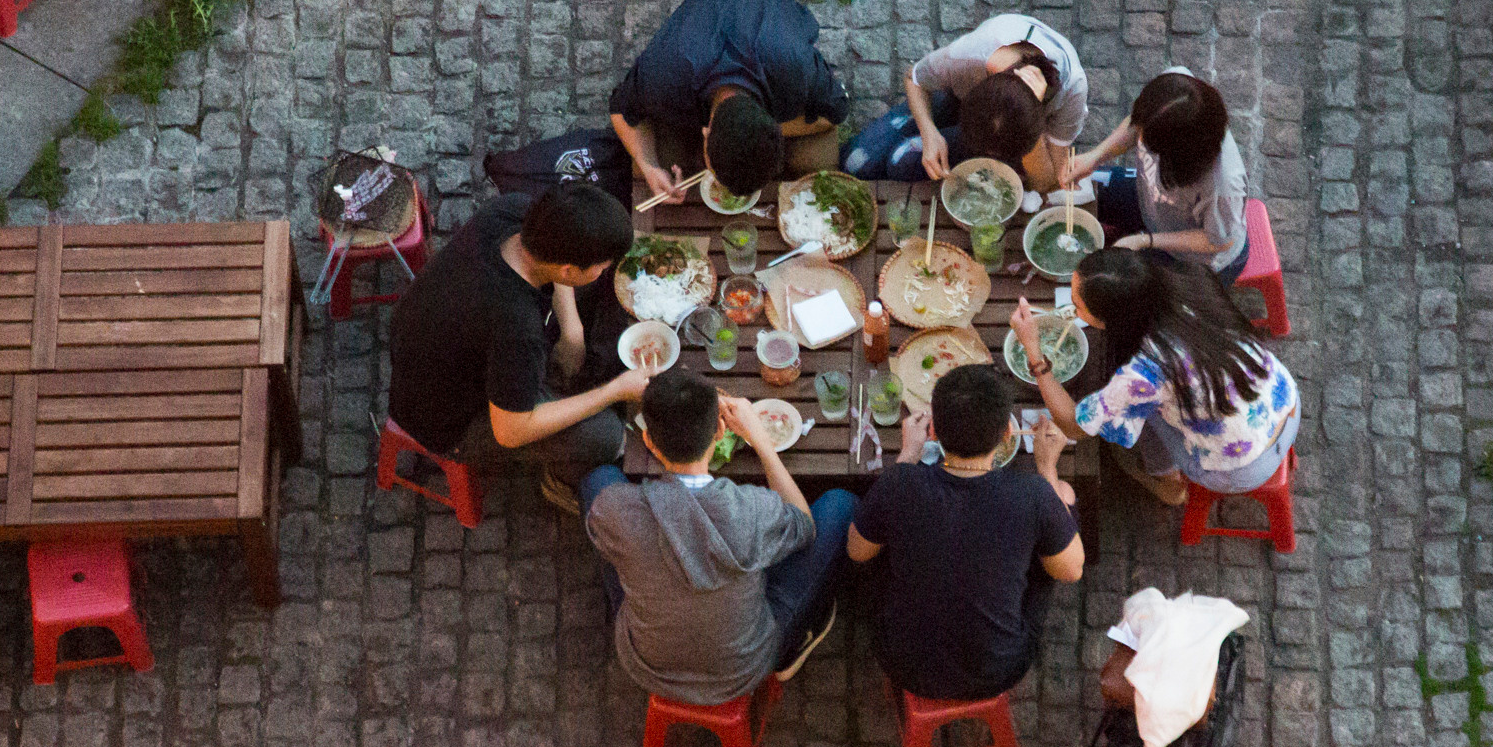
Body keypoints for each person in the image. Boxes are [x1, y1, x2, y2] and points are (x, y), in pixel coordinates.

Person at [581, 369, 859, 704]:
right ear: (720, 431)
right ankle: (790, 646)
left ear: (650, 442)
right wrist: (762, 443)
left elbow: (601, 526)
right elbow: (804, 526)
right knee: (841, 505)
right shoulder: (752, 510)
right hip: (744, 666)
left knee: (597, 479)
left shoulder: (614, 510)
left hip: (649, 663)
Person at [387, 180, 647, 511]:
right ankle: (560, 483)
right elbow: (511, 431)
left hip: (427, 343)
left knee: (589, 296)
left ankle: (560, 382)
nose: (606, 269)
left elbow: (555, 270)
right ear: (567, 269)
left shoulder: (512, 212)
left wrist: (572, 331)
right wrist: (615, 391)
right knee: (606, 435)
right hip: (448, 419)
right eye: (603, 264)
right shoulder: (516, 329)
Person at [847, 365, 1085, 701]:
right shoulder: (1032, 494)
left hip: (902, 663)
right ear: (1006, 434)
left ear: (934, 431)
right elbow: (1071, 570)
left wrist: (907, 456)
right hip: (998, 669)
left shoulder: (899, 483)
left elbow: (858, 552)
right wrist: (1047, 467)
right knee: (1064, 497)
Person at [1008, 249, 1298, 509]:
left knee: (1136, 424)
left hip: (1242, 466)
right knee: (1148, 405)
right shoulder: (1190, 281)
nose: (1072, 309)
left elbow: (1073, 425)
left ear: (1110, 319)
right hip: (1285, 403)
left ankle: (1169, 485)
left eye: (1077, 304)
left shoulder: (1143, 374)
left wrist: (1034, 353)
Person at [608, 0, 852, 203]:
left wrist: (762, 133)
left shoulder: (796, 70)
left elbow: (835, 114)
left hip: (772, 22)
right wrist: (648, 166)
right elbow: (620, 108)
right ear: (705, 130)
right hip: (699, 23)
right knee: (645, 172)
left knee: (816, 163)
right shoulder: (664, 78)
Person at [841, 13, 1088, 192]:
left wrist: (1033, 119)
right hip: (974, 112)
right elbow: (914, 78)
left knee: (899, 163)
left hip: (1013, 133)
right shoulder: (971, 56)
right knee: (855, 163)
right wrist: (930, 134)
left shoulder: (1073, 91)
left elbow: (1045, 181)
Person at [1064, 68, 1248, 282]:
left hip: (1194, 259)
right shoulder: (1174, 92)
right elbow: (1136, 125)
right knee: (1082, 188)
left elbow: (1218, 241)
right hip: (1152, 204)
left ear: (1178, 152)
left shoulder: (1223, 186)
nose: (1138, 138)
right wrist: (1094, 157)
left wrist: (1146, 240)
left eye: (1148, 141)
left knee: (1119, 287)